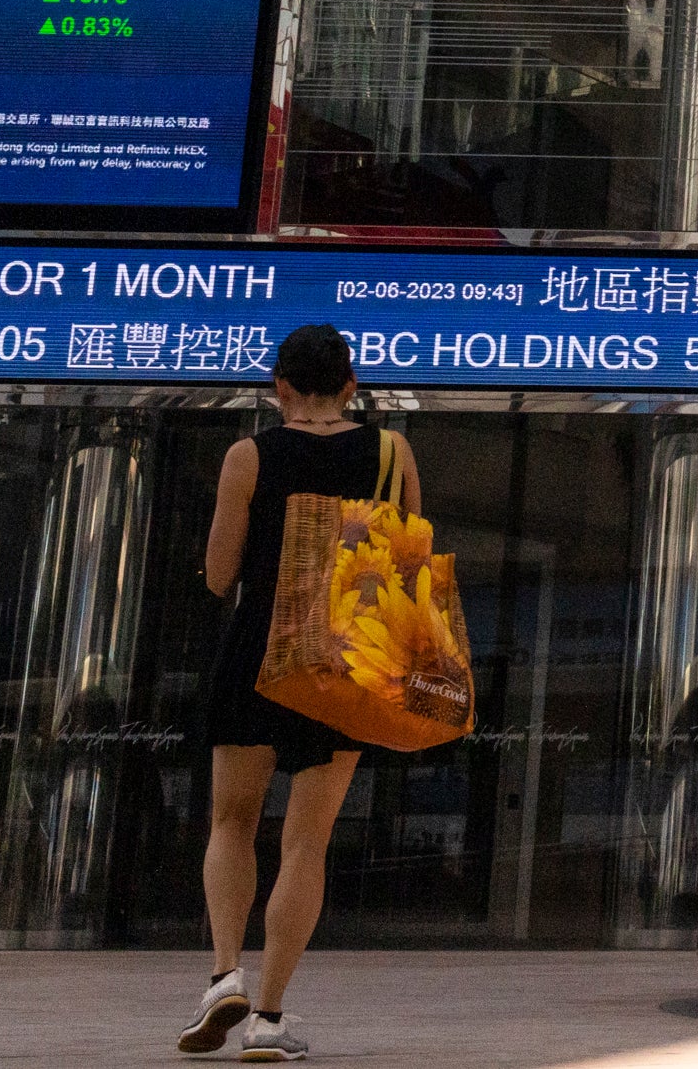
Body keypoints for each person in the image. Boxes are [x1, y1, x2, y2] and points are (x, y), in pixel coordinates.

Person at [182, 323, 419, 1063]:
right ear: (353, 385)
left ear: (278, 385)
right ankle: (272, 1020)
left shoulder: (248, 454)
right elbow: (408, 562)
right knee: (306, 843)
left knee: (232, 821)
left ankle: (226, 974)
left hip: (256, 649)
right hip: (345, 655)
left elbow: (220, 575)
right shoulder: (390, 452)